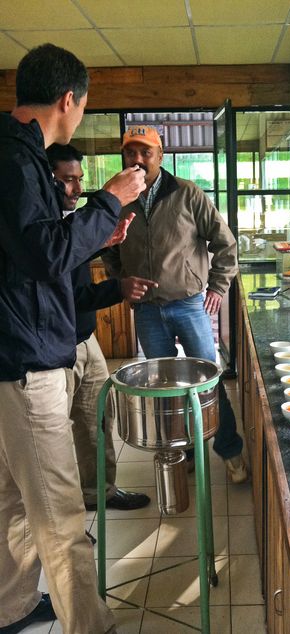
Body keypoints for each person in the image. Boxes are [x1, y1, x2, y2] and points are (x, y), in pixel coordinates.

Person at [0, 44, 146, 634]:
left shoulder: (21, 159)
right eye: (83, 107)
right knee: (61, 515)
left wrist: (100, 234)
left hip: (18, 354)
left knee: (11, 500)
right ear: (70, 101)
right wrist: (111, 199)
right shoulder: (15, 161)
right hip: (24, 364)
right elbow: (44, 254)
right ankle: (92, 625)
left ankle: (9, 608)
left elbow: (37, 255)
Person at [102, 125, 248, 484]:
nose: (137, 160)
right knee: (165, 390)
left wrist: (217, 286)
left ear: (160, 156)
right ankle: (183, 452)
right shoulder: (116, 198)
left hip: (188, 305)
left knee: (208, 383)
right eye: (130, 152)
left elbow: (226, 244)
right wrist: (122, 284)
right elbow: (108, 247)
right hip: (148, 312)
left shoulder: (187, 194)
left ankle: (229, 450)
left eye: (145, 152)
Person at [46, 142, 157, 511]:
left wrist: (101, 243)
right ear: (45, 180)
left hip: (84, 338)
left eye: (80, 179)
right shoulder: (39, 230)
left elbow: (71, 266)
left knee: (96, 420)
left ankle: (100, 493)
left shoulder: (67, 222)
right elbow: (69, 295)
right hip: (54, 349)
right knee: (55, 437)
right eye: (67, 180)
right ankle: (66, 521)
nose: (78, 189)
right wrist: (119, 288)